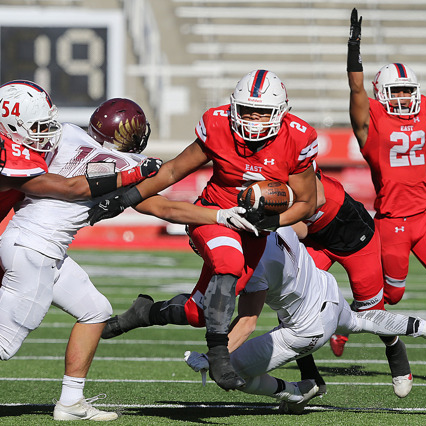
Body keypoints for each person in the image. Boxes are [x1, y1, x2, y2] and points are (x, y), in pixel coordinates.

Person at [0, 98, 255, 421]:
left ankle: (70, 402)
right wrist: (219, 215)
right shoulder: (125, 166)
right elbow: (165, 209)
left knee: (95, 310)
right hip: (35, 250)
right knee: (4, 344)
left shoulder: (61, 135)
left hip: (28, 243)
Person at [87, 70, 319, 391]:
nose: (252, 120)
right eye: (246, 111)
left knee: (201, 312)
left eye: (261, 112)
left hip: (254, 230)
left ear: (281, 113)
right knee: (228, 263)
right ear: (234, 108)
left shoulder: (298, 137)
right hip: (212, 214)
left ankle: (142, 313)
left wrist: (271, 222)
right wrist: (127, 198)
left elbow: (307, 202)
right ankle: (219, 355)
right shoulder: (218, 124)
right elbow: (172, 170)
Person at [176, 226, 426, 413]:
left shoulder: (253, 267)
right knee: (362, 320)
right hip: (328, 290)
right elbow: (302, 225)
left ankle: (297, 392)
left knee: (226, 372)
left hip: (307, 328)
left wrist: (214, 356)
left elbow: (248, 322)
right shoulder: (281, 223)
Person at [346, 8, 426, 376]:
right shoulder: (370, 125)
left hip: (425, 217)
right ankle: (346, 321)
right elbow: (354, 87)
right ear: (380, 93)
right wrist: (354, 48)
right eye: (395, 90)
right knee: (390, 296)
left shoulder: (422, 117)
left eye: (406, 90)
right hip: (393, 222)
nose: (401, 96)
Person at [285, 169, 413, 397]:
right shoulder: (257, 169)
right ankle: (310, 376)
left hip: (353, 237)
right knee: (291, 296)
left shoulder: (294, 157)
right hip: (315, 240)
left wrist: (269, 217)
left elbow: (316, 201)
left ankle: (395, 350)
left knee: (372, 312)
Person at [0, 81, 162, 223]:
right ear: (11, 125)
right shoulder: (8, 154)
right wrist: (133, 173)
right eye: (39, 125)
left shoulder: (25, 147)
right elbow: (69, 187)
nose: (45, 131)